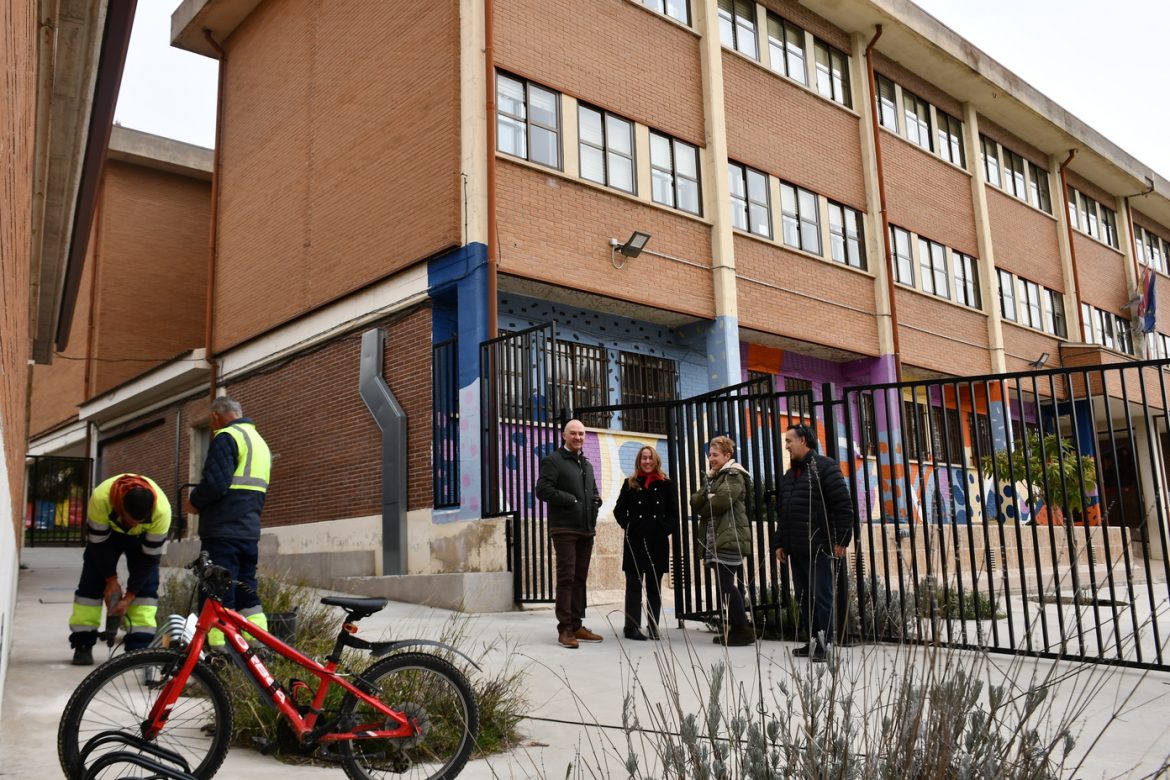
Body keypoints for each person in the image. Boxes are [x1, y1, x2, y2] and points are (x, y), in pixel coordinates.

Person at [184, 396, 271, 646]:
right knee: (247, 593)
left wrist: (194, 502)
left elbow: (215, 484)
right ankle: (258, 647)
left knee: (217, 593)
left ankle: (219, 651)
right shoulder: (260, 443)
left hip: (223, 531)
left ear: (215, 416)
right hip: (248, 532)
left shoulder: (226, 437)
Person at [69, 473, 171, 665]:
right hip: (107, 537)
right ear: (121, 507)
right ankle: (83, 643)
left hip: (142, 540)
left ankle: (138, 648)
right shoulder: (101, 499)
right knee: (91, 582)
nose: (134, 525)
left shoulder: (162, 511)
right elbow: (98, 545)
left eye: (140, 521)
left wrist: (130, 596)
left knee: (146, 588)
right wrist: (111, 580)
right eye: (131, 520)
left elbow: (150, 559)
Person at [772, 424, 853, 662]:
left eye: (789, 441)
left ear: (803, 441)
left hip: (818, 546)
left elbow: (843, 506)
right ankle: (813, 641)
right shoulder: (790, 475)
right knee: (804, 597)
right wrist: (779, 543)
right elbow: (784, 513)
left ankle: (824, 645)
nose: (786, 446)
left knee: (821, 596)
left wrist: (841, 540)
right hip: (796, 547)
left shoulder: (826, 467)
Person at [535, 419, 604, 649]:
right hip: (564, 528)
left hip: (586, 529)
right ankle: (564, 629)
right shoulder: (553, 460)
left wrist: (596, 502)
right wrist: (571, 500)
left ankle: (576, 625)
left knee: (580, 579)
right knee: (567, 577)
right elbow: (543, 490)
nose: (578, 437)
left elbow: (593, 491)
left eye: (581, 434)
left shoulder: (586, 464)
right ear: (564, 435)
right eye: (573, 433)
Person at [690, 436, 755, 646]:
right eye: (709, 455)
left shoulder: (733, 475)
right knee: (725, 584)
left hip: (729, 537)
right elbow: (694, 502)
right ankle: (737, 629)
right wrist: (708, 494)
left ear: (728, 455)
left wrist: (708, 499)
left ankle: (743, 629)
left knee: (726, 585)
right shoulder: (714, 477)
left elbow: (719, 503)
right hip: (717, 538)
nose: (711, 459)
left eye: (715, 455)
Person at [614, 445, 676, 641]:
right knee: (633, 585)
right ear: (639, 461)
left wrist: (664, 528)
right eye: (644, 458)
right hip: (635, 541)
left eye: (650, 458)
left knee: (654, 587)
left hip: (657, 541)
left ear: (656, 460)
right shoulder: (630, 483)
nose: (647, 461)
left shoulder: (666, 484)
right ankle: (631, 627)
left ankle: (653, 626)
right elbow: (619, 510)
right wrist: (629, 526)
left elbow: (673, 513)